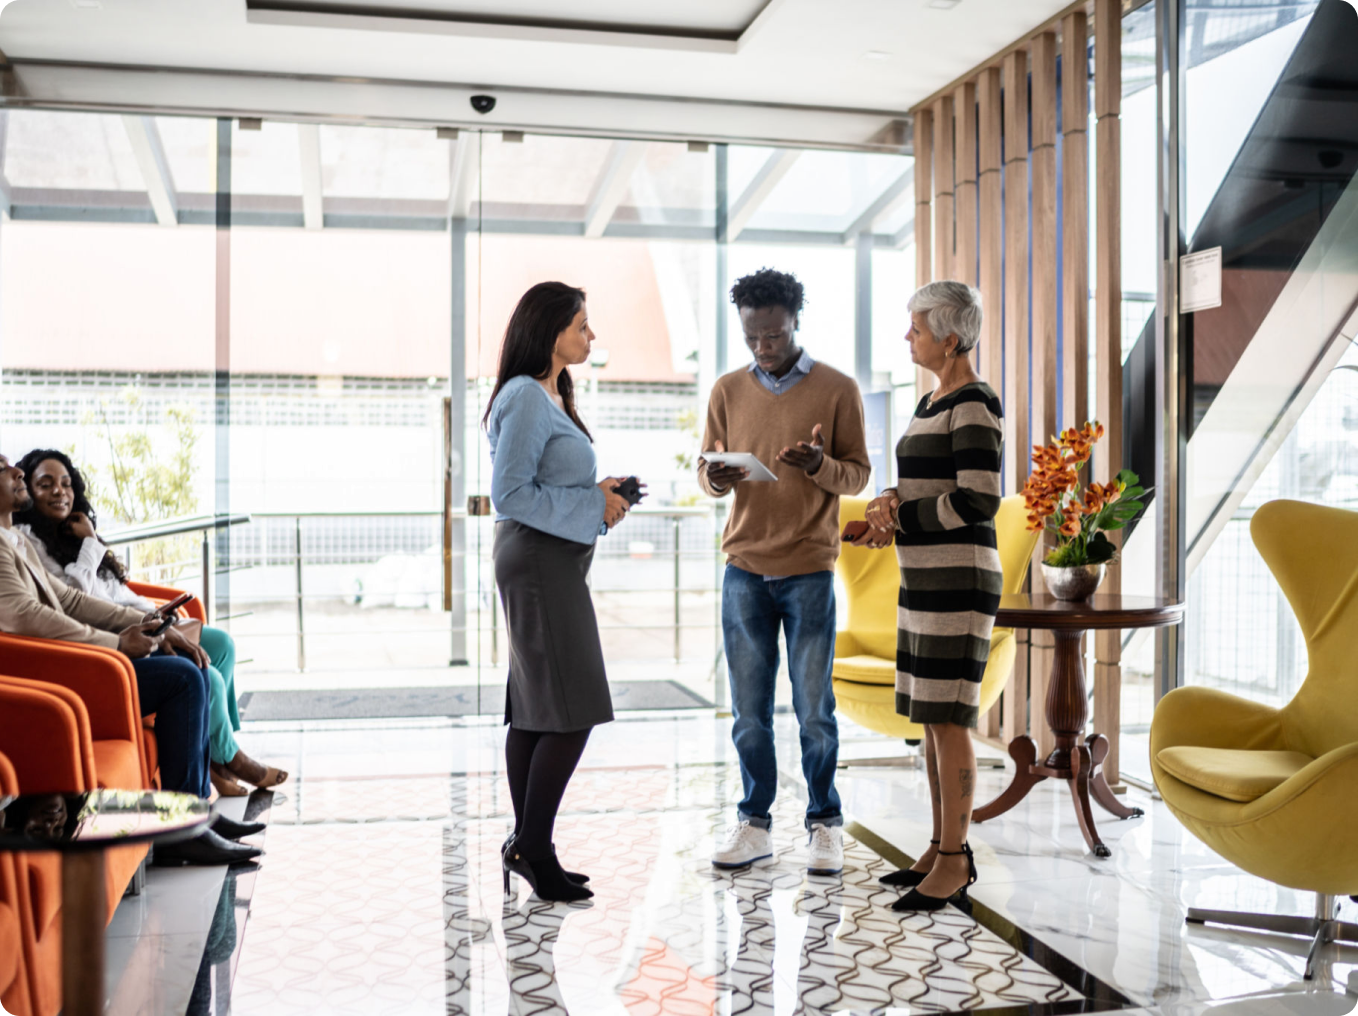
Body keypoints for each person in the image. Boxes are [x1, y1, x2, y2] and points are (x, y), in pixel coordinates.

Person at [0, 453, 261, 865]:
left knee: (188, 668)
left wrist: (152, 621)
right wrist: (117, 644)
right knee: (182, 679)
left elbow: (70, 599)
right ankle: (183, 829)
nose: (15, 471)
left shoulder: (11, 540)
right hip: (59, 677)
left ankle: (194, 817)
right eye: (4, 468)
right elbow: (26, 617)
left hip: (76, 662)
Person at [699, 267, 871, 875]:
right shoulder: (726, 390)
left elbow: (857, 475)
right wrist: (714, 478)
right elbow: (707, 469)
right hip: (744, 567)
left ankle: (825, 824)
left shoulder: (837, 388)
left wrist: (821, 465)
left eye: (772, 334)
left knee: (813, 709)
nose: (762, 347)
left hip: (808, 570)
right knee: (748, 711)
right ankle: (755, 823)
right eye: (751, 337)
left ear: (795, 319)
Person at [854, 281, 1002, 911]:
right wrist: (888, 503)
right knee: (931, 718)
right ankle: (942, 844)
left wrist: (903, 519)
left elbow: (979, 498)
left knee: (949, 718)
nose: (906, 336)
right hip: (924, 578)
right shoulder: (928, 404)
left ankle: (955, 857)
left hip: (961, 578)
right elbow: (923, 482)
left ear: (949, 337)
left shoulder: (973, 403)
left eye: (915, 328)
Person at [484, 281, 632, 903]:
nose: (591, 336)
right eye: (582, 325)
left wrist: (599, 495)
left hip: (550, 562)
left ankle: (531, 845)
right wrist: (592, 504)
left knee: (538, 707)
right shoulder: (523, 396)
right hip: (539, 562)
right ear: (550, 332)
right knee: (575, 709)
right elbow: (510, 493)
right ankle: (531, 845)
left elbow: (544, 482)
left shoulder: (550, 394)